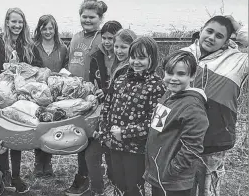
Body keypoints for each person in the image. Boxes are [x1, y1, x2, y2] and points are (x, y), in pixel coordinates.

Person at [180, 15, 248, 196]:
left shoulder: (239, 61)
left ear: (227, 41)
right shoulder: (184, 54)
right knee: (180, 188)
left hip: (215, 138)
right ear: (201, 30)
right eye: (209, 31)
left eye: (219, 36)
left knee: (207, 190)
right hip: (181, 137)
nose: (211, 37)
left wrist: (240, 29)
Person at [98, 36, 166, 196]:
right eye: (133, 57)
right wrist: (104, 134)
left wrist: (126, 133)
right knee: (118, 183)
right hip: (113, 145)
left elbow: (158, 123)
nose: (136, 62)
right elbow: (106, 107)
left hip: (137, 149)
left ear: (152, 59)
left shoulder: (158, 86)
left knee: (134, 187)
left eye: (141, 58)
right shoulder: (120, 80)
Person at [0, 7, 43, 193]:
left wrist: (24, 71)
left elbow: (37, 67)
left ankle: (17, 176)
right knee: (3, 135)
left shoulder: (29, 43)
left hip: (23, 94)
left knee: (17, 134)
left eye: (20, 22)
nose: (17, 25)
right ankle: (5, 174)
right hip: (3, 93)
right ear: (7, 22)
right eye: (13, 21)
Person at [144, 50, 209, 196]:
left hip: (174, 182)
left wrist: (173, 170)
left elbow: (193, 146)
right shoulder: (169, 95)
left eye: (181, 74)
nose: (173, 78)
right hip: (159, 174)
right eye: (169, 73)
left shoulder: (192, 106)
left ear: (192, 76)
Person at [65, 0, 108, 196]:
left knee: (91, 141)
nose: (87, 20)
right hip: (77, 97)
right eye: (84, 16)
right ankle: (85, 176)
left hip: (95, 97)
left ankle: (87, 179)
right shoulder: (75, 37)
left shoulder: (103, 38)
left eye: (92, 17)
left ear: (100, 18)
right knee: (80, 137)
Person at [85, 20, 123, 196]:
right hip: (100, 109)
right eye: (104, 38)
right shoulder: (96, 56)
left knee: (111, 154)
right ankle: (97, 188)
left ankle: (115, 186)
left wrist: (107, 91)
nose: (107, 42)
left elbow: (123, 86)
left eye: (111, 39)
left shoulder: (124, 57)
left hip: (118, 111)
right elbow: (92, 79)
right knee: (92, 153)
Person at [32, 14, 68, 177]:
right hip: (38, 92)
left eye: (50, 28)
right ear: (39, 29)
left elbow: (67, 69)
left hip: (56, 93)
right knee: (39, 125)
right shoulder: (33, 46)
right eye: (44, 28)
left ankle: (48, 161)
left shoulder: (62, 48)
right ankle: (39, 161)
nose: (48, 31)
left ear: (55, 29)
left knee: (51, 125)